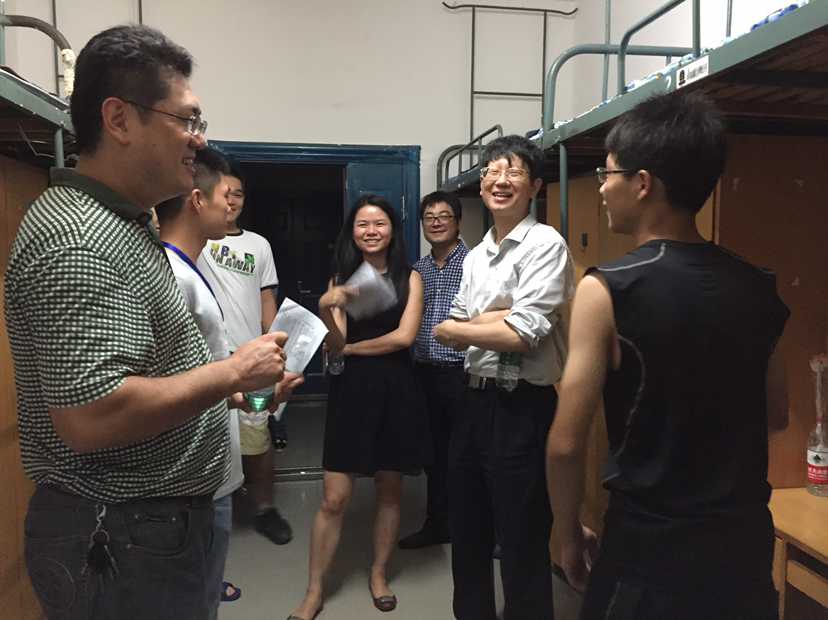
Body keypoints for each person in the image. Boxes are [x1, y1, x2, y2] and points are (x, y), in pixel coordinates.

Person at [3, 25, 286, 620]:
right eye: (186, 119)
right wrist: (232, 372)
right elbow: (92, 416)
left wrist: (227, 393)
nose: (199, 139)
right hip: (122, 536)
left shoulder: (126, 223)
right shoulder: (79, 239)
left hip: (149, 525)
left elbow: (152, 366)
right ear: (119, 119)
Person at [546, 91, 790, 620]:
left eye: (608, 173)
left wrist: (565, 532)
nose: (602, 187)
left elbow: (566, 443)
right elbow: (777, 415)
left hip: (648, 549)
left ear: (642, 183)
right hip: (742, 547)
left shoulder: (608, 289)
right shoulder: (760, 287)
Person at [434, 134, 575, 620]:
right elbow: (450, 326)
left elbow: (523, 333)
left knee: (522, 535)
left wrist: (481, 326)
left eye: (513, 171)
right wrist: (497, 317)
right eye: (492, 171)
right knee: (467, 528)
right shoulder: (476, 256)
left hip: (522, 407)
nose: (500, 179)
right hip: (473, 400)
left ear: (534, 186)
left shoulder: (545, 244)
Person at [289, 195, 427, 620]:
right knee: (334, 498)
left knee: (389, 489)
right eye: (362, 224)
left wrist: (352, 349)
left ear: (392, 229)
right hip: (351, 392)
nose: (371, 231)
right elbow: (335, 345)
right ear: (352, 232)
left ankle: (379, 574)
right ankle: (314, 591)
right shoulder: (341, 279)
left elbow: (404, 338)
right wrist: (326, 308)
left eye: (379, 223)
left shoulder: (411, 278)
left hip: (397, 389)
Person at [199, 163, 292, 545]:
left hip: (251, 355)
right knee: (209, 434)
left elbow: (266, 297)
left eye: (238, 193)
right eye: (225, 192)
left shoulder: (258, 245)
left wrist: (276, 347)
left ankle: (264, 508)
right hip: (208, 358)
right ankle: (209, 509)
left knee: (257, 436)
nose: (232, 200)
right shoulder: (197, 237)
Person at [398, 190, 468, 550]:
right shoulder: (418, 269)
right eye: (429, 217)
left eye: (444, 216)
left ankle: (475, 530)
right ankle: (437, 525)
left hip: (462, 373)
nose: (436, 222)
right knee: (434, 454)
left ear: (458, 222)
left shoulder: (475, 263)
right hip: (424, 372)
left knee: (468, 455)